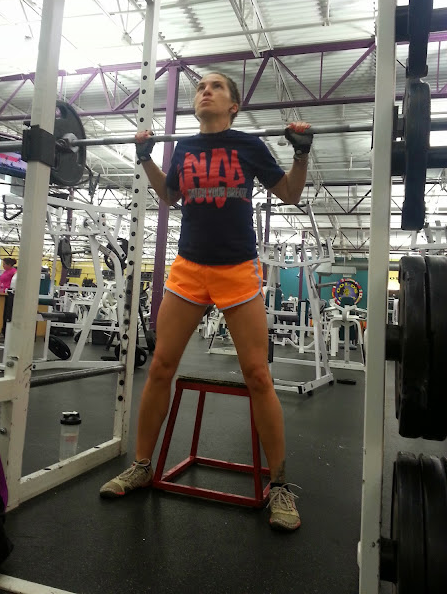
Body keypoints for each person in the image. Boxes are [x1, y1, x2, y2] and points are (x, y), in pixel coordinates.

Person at [100, 72, 313, 531]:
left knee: (258, 375)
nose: (205, 91)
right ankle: (141, 465)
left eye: (215, 87)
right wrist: (145, 159)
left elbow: (291, 194)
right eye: (200, 87)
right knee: (161, 366)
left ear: (234, 105)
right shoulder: (185, 148)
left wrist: (301, 154)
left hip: (237, 269)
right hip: (189, 268)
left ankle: (279, 486)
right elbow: (170, 195)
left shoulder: (249, 145)